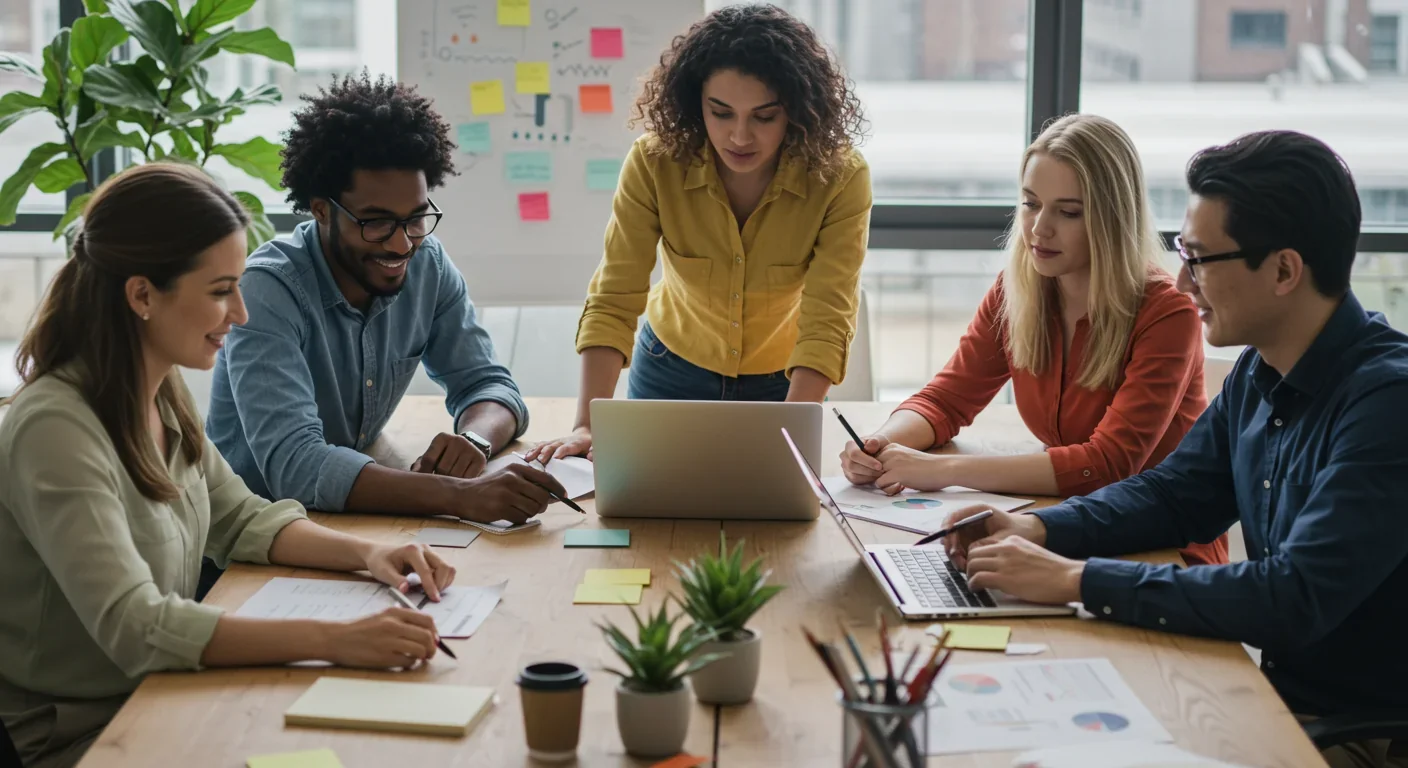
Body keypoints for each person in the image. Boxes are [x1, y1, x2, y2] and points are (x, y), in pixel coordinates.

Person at [942, 131, 1408, 768]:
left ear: (1283, 270)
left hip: (1359, 737)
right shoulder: (1258, 373)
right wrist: (1034, 528)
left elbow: (1291, 598)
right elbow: (1173, 495)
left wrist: (1076, 579)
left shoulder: (1387, 404)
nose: (1183, 279)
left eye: (1201, 258)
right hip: (1276, 700)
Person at [0, 163, 459, 768]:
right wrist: (338, 642)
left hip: (168, 694)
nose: (240, 313)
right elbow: (138, 629)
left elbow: (242, 520)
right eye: (220, 291)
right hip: (84, 736)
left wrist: (369, 555)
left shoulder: (160, 391)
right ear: (142, 295)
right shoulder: (55, 428)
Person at [840, 114, 1226, 567]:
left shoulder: (1167, 311)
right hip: (1065, 524)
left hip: (1161, 549)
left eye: (1068, 212)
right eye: (1030, 203)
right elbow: (946, 399)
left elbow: (1105, 464)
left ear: (1112, 218)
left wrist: (939, 471)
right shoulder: (1019, 289)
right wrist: (881, 445)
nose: (1039, 228)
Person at [206, 73, 566, 527]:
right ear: (321, 209)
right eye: (375, 223)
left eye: (416, 219)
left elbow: (490, 387)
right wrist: (460, 494)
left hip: (346, 522)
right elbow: (295, 468)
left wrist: (474, 442)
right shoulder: (267, 291)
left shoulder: (427, 263)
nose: (401, 245)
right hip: (250, 539)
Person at [526, 4, 871, 463]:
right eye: (721, 113)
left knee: (775, 516)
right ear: (695, 103)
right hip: (669, 372)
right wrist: (588, 423)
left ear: (797, 111)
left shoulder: (840, 176)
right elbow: (616, 294)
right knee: (649, 517)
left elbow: (828, 316)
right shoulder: (654, 162)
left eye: (764, 116)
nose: (740, 136)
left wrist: (791, 435)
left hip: (785, 385)